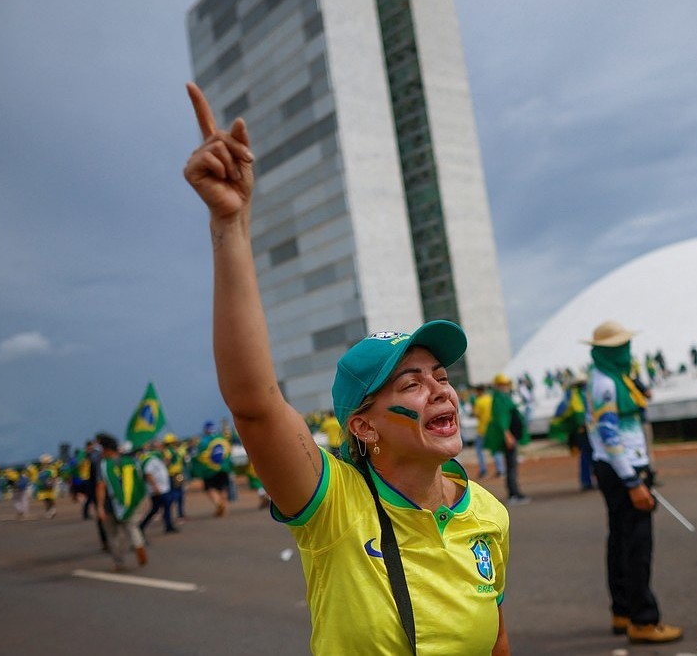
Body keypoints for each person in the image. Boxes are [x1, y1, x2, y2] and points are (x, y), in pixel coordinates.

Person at [181, 82, 510, 655]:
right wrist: (230, 226)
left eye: (441, 376)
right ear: (363, 425)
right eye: (410, 383)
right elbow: (255, 406)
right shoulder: (335, 508)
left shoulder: (488, 514)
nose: (439, 391)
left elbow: (496, 644)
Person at [583, 320, 683, 644]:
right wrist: (633, 481)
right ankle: (643, 620)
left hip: (616, 467)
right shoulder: (606, 385)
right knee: (637, 547)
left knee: (620, 541)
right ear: (607, 351)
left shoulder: (610, 376)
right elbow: (610, 436)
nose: (627, 351)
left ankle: (622, 611)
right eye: (620, 347)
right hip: (624, 469)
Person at [94, 434, 148, 571]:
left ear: (106, 449)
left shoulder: (104, 465)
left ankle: (119, 562)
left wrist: (100, 507)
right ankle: (138, 546)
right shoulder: (129, 461)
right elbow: (139, 480)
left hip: (109, 505)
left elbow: (101, 486)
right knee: (131, 527)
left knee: (113, 535)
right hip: (128, 502)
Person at [484, 373, 529, 504]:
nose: (506, 387)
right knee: (511, 466)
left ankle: (515, 492)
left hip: (511, 436)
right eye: (503, 384)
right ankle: (514, 494)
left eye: (506, 384)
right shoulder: (499, 399)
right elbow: (501, 418)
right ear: (497, 386)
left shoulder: (503, 397)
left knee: (512, 465)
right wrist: (507, 435)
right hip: (509, 437)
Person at [192, 421, 231, 517]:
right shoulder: (222, 439)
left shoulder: (203, 441)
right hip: (223, 468)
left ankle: (218, 503)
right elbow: (228, 452)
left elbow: (199, 457)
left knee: (210, 489)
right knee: (223, 488)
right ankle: (224, 507)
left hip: (209, 470)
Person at [137, 442, 177, 536]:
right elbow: (148, 474)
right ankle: (142, 526)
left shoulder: (157, 458)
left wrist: (173, 456)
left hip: (163, 488)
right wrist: (155, 487)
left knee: (163, 507)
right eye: (160, 447)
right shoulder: (150, 459)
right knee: (156, 509)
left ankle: (168, 525)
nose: (162, 448)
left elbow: (166, 464)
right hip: (158, 489)